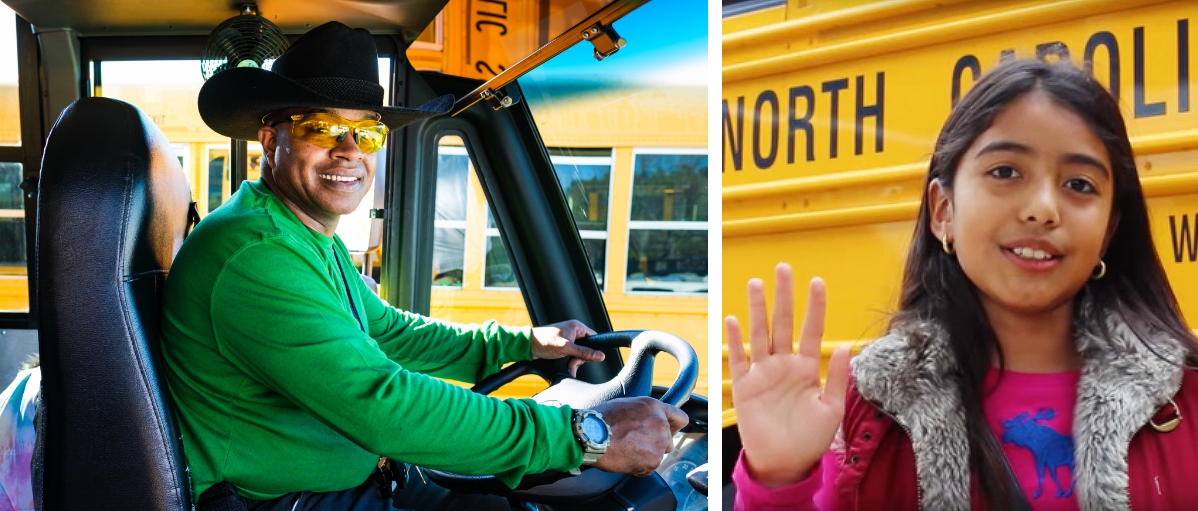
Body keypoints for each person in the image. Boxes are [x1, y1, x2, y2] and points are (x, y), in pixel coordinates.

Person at [161, 21, 687, 511]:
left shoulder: (299, 235)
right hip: (283, 501)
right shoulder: (257, 255)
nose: (350, 152)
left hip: (352, 480)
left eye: (367, 134)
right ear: (271, 139)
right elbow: (382, 405)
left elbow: (388, 333)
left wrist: (521, 344)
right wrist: (582, 434)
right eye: (322, 128)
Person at [727, 58, 1198, 510]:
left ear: (1109, 229)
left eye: (1079, 184)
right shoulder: (868, 405)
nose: (1042, 208)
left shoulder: (1185, 397)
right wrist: (777, 481)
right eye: (1006, 172)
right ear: (942, 210)